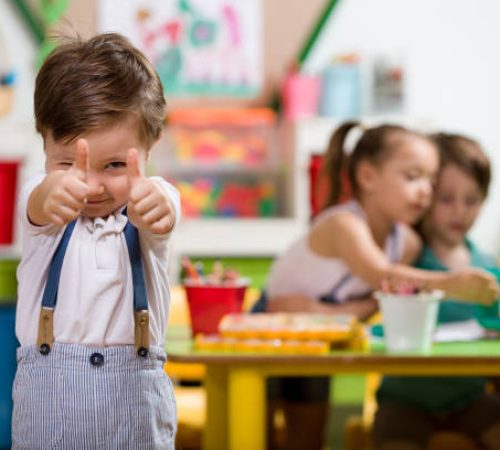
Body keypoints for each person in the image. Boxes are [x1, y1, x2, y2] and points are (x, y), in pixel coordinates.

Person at [262, 122, 498, 450]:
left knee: (306, 439)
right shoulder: (344, 224)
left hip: (321, 333)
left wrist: (327, 312)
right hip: (268, 330)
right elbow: (384, 278)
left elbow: (383, 298)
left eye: (431, 180)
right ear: (368, 177)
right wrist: (452, 283)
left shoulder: (407, 243)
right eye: (413, 177)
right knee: (259, 436)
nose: (425, 190)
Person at [12, 33, 180, 449]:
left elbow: (163, 211)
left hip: (136, 415)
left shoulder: (153, 199)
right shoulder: (44, 208)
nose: (90, 185)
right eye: (69, 163)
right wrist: (54, 188)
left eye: (116, 165)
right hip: (50, 419)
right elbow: (40, 200)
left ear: (151, 143)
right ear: (44, 142)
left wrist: (152, 211)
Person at [374, 133, 500, 450]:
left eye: (471, 200)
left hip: (470, 400)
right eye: (446, 199)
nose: (460, 211)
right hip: (404, 401)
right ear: (426, 196)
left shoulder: (486, 266)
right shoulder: (406, 258)